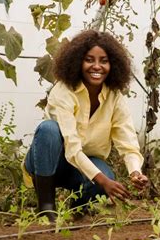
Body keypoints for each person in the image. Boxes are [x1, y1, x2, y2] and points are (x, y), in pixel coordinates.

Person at [22, 29, 148, 221]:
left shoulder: (114, 97)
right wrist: (102, 180)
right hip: (50, 163)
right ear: (78, 61)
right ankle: (46, 208)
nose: (96, 66)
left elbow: (127, 139)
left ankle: (77, 209)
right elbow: (71, 148)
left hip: (81, 166)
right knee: (49, 129)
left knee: (107, 177)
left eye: (103, 61)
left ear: (112, 64)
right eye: (89, 59)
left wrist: (135, 171)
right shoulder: (64, 90)